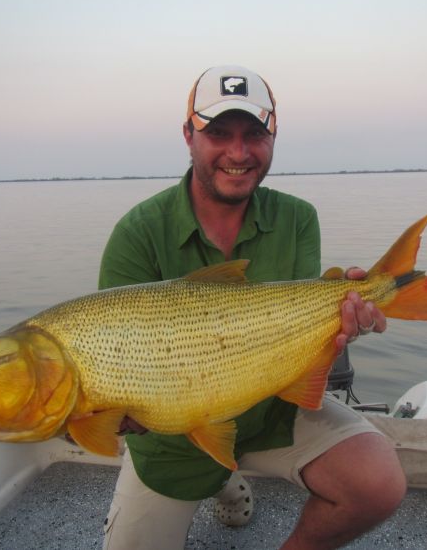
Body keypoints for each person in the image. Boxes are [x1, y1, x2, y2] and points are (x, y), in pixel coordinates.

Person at [98, 65, 406, 550]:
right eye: (218, 133)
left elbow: (300, 332)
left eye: (254, 134)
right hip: (173, 439)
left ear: (274, 136)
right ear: (188, 136)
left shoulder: (298, 218)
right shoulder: (137, 233)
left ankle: (236, 482)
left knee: (378, 482)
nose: (238, 153)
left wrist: (343, 320)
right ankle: (223, 478)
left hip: (271, 412)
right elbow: (114, 359)